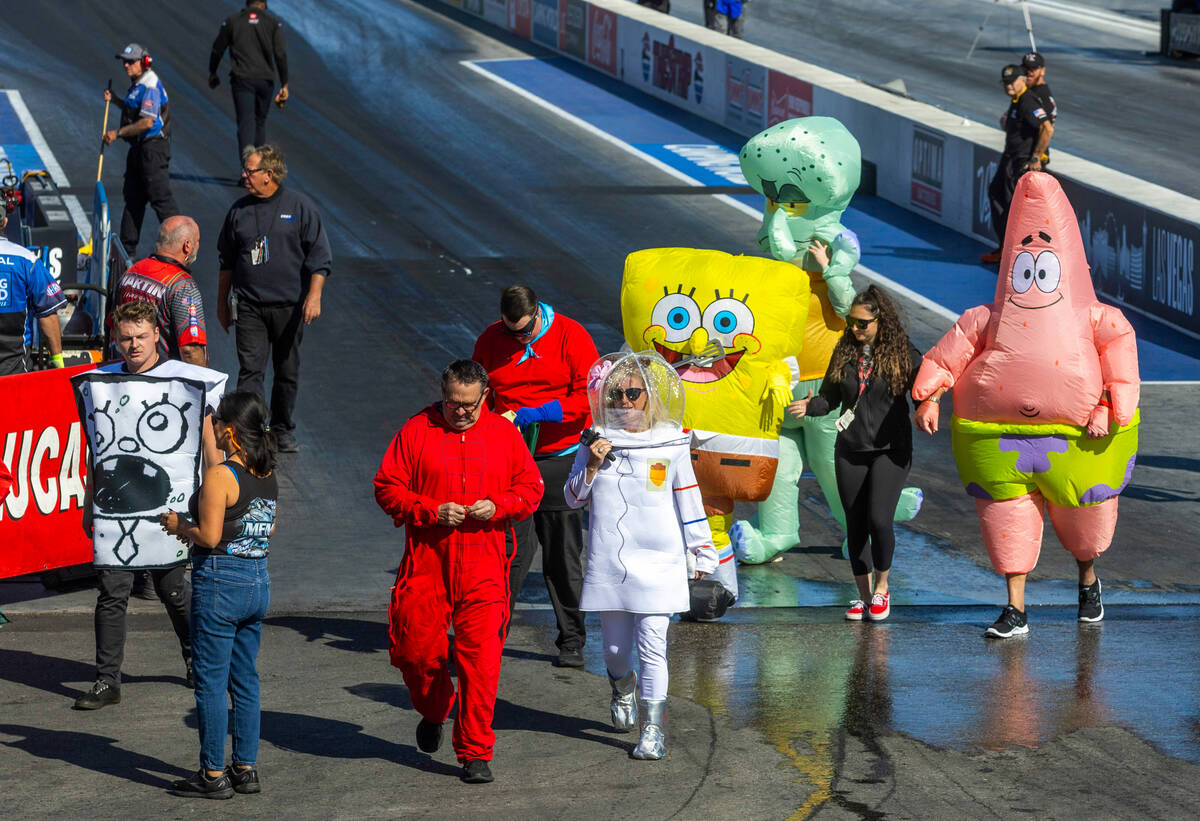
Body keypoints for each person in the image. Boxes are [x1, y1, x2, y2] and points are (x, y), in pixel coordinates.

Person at [374, 359, 543, 785]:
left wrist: (499, 506)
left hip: (484, 566)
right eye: (452, 403)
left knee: (481, 664)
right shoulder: (417, 430)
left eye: (468, 404)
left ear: (484, 397)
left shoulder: (504, 434)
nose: (460, 411)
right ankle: (434, 710)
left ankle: (474, 752)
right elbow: (387, 487)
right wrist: (431, 510)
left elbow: (531, 488)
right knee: (414, 653)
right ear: (443, 394)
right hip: (428, 563)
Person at [71, 301, 226, 710]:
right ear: (116, 338)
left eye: (141, 336)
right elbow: (97, 452)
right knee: (111, 592)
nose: (133, 345)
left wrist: (224, 500)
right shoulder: (100, 383)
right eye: (125, 338)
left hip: (171, 509)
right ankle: (108, 680)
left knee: (173, 590)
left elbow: (210, 448)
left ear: (158, 334)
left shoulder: (188, 382)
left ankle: (198, 661)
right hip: (114, 506)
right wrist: (90, 504)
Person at [564, 352, 717, 760]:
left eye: (633, 393)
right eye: (616, 394)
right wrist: (592, 465)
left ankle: (653, 729)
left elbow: (689, 499)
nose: (625, 402)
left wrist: (703, 551)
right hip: (610, 563)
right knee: (614, 652)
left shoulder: (671, 442)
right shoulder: (594, 440)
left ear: (649, 396)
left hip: (660, 562)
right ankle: (621, 686)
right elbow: (573, 498)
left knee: (653, 646)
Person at [472, 285, 599, 668]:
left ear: (538, 316)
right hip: (513, 462)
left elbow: (590, 396)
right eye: (510, 331)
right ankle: (489, 639)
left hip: (559, 458)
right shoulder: (492, 338)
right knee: (510, 554)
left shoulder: (570, 334)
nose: (516, 339)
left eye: (524, 333)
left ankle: (573, 640)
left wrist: (540, 412)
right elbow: (480, 392)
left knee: (562, 556)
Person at [161, 390, 277, 799]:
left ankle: (212, 774)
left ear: (228, 430)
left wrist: (179, 525)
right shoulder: (265, 474)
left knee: (210, 683)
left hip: (220, 582)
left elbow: (208, 536)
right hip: (257, 580)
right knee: (244, 679)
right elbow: (266, 528)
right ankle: (245, 767)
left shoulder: (218, 478)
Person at [787, 286, 921, 623]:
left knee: (879, 518)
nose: (855, 329)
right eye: (851, 322)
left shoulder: (903, 352)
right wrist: (810, 405)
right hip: (850, 448)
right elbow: (830, 398)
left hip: (891, 449)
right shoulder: (844, 351)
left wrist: (928, 405)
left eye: (862, 323)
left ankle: (882, 588)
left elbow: (924, 386)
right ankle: (863, 596)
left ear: (880, 321)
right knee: (856, 524)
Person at [217, 144, 331, 453]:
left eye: (250, 170)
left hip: (289, 308)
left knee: (286, 371)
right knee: (250, 371)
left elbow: (320, 258)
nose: (244, 175)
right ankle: (251, 429)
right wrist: (221, 304)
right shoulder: (238, 211)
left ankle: (281, 428)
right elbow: (226, 262)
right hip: (250, 306)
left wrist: (314, 296)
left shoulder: (299, 207)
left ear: (269, 174)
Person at [104, 44, 179, 258]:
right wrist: (116, 100)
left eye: (131, 61)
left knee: (161, 199)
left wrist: (117, 133)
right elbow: (133, 112)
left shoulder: (150, 85)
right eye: (124, 61)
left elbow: (146, 122)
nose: (126, 65)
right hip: (139, 149)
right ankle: (126, 254)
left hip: (153, 150)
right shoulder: (137, 85)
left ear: (144, 62)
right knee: (133, 200)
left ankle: (181, 247)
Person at [981, 65, 1051, 265]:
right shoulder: (1016, 100)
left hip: (1021, 163)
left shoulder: (1028, 101)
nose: (1008, 86)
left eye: (1011, 82)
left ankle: (1015, 253)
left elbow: (1047, 128)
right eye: (1005, 83)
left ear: (1022, 80)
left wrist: (1036, 157)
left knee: (1014, 208)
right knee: (996, 194)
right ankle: (1004, 247)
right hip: (1010, 158)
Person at [115, 215, 208, 365]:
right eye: (197, 242)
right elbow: (190, 350)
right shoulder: (182, 285)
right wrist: (204, 385)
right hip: (166, 381)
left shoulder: (131, 273)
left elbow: (113, 330)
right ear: (187, 246)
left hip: (129, 374)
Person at [209, 1, 290, 163]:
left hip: (242, 79)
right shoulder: (273, 23)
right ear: (264, 5)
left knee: (246, 123)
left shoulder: (232, 21)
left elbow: (218, 48)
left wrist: (213, 72)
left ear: (247, 3)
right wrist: (284, 84)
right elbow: (280, 54)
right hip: (265, 80)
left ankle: (247, 169)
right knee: (260, 123)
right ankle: (257, 171)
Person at [0, 209, 64, 375]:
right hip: (15, 370)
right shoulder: (27, 260)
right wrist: (57, 359)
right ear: (5, 222)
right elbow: (48, 313)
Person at [1021, 51, 1056, 169]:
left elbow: (1047, 129)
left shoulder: (1041, 96)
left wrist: (1036, 157)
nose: (1029, 73)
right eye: (1026, 68)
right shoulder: (1031, 92)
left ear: (1042, 71)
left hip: (1033, 163)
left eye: (1033, 69)